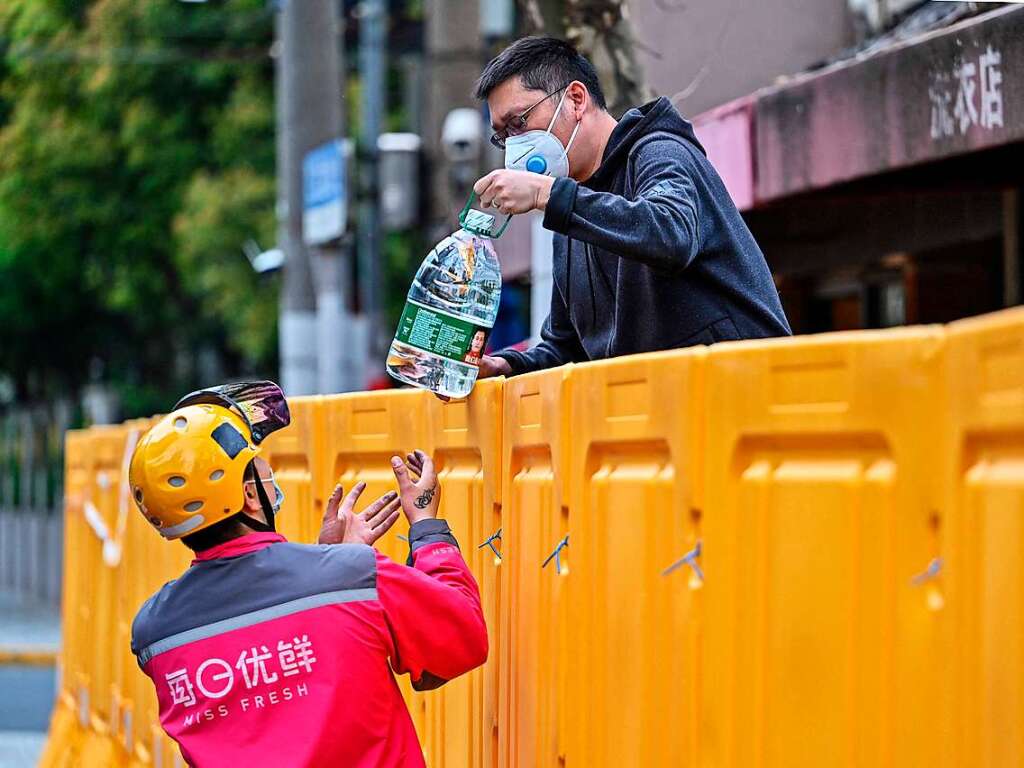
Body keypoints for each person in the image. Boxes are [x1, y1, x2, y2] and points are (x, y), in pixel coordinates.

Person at [128, 381, 487, 768]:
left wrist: (328, 562)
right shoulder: (351, 577)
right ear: (250, 494)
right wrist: (426, 529)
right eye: (261, 467)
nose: (270, 475)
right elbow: (461, 639)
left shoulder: (156, 633)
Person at [470, 37, 792, 379]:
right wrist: (505, 365)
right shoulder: (572, 213)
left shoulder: (659, 152)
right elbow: (568, 348)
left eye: (519, 122)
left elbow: (671, 233)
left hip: (744, 396)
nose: (514, 145)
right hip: (658, 413)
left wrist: (549, 195)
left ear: (576, 100)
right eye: (503, 135)